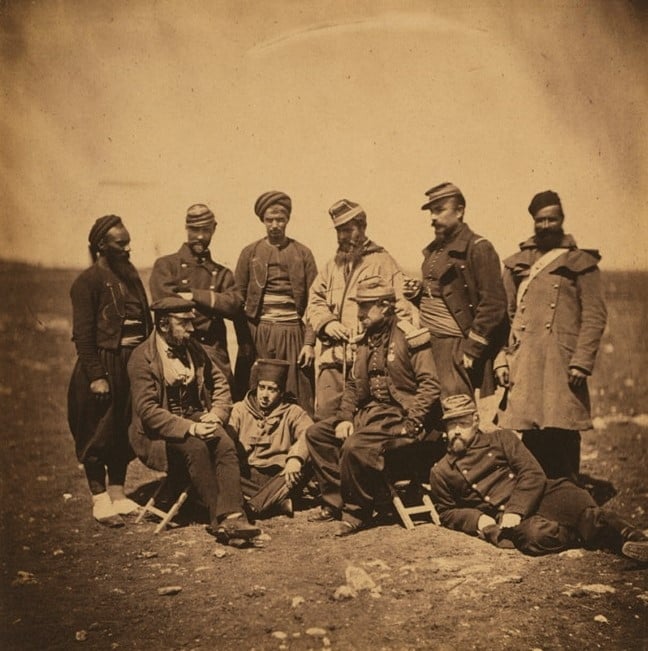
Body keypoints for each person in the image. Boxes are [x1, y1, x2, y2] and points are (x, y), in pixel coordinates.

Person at [428, 394, 648, 561]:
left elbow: (532, 473)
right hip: (505, 515)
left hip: (541, 493)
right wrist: (478, 519)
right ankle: (581, 536)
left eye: (463, 423)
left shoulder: (501, 439)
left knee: (587, 514)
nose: (457, 430)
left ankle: (635, 541)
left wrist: (517, 508)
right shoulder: (442, 471)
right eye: (451, 424)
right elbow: (446, 512)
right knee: (534, 537)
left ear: (475, 421)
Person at [305, 276, 442, 536]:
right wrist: (345, 417)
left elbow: (430, 385)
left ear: (386, 306)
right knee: (317, 435)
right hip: (370, 414)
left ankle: (357, 512)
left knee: (355, 446)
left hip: (400, 415)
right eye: (359, 306)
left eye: (366, 307)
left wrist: (413, 423)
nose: (359, 314)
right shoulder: (365, 340)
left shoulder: (410, 336)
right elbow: (354, 385)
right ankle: (336, 501)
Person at [494, 191, 607, 480]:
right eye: (540, 220)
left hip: (562, 363)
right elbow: (502, 317)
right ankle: (537, 497)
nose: (545, 225)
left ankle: (569, 498)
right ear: (533, 221)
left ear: (561, 220)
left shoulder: (581, 263)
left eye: (551, 219)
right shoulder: (517, 263)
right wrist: (502, 360)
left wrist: (581, 361)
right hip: (526, 362)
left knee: (563, 430)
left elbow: (594, 315)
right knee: (530, 434)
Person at [127, 297, 260, 544]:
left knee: (223, 440)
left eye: (192, 322)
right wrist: (192, 427)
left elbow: (220, 383)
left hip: (195, 417)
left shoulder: (193, 348)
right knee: (197, 447)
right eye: (184, 323)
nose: (191, 329)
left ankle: (233, 515)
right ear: (164, 324)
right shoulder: (141, 358)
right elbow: (148, 411)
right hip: (157, 434)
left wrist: (217, 413)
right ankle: (218, 519)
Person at [67, 215, 152, 526]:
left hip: (133, 362)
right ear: (102, 245)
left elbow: (145, 322)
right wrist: (97, 376)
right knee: (97, 430)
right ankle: (99, 499)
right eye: (121, 244)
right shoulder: (87, 282)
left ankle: (118, 494)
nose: (127, 249)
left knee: (123, 429)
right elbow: (84, 335)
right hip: (104, 363)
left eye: (129, 243)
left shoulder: (131, 277)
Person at [307, 199, 412, 420]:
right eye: (338, 231)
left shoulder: (384, 263)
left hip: (364, 362)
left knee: (359, 423)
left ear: (363, 228)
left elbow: (401, 309)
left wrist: (377, 343)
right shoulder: (331, 266)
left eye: (348, 230)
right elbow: (314, 299)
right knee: (324, 420)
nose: (343, 237)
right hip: (332, 361)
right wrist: (328, 323)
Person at [411, 182, 507, 399]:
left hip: (455, 346)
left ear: (460, 211)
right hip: (430, 344)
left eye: (439, 210)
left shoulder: (479, 248)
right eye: (431, 212)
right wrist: (417, 294)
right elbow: (441, 296)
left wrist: (472, 348)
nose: (433, 218)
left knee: (456, 410)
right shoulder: (434, 251)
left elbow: (494, 304)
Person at [234, 191, 318, 415]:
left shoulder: (303, 253)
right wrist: (245, 343)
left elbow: (316, 303)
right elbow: (237, 302)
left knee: (297, 393)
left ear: (287, 220)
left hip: (292, 333)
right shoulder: (249, 253)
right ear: (262, 220)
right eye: (269, 220)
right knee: (258, 392)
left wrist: (309, 342)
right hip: (259, 333)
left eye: (280, 219)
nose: (275, 225)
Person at [150, 203, 243, 388]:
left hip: (213, 352)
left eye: (205, 230)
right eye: (194, 230)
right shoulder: (166, 265)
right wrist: (213, 303)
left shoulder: (222, 273)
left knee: (221, 401)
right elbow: (166, 303)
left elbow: (234, 305)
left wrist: (193, 295)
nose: (200, 236)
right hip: (176, 351)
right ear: (186, 228)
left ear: (214, 229)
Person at [228, 358, 314, 519]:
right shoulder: (240, 409)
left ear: (281, 392)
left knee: (306, 461)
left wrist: (295, 458)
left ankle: (254, 506)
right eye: (262, 388)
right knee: (224, 473)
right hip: (248, 476)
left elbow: (309, 433)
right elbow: (228, 439)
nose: (265, 395)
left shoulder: (293, 412)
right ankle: (277, 504)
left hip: (280, 478)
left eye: (272, 389)